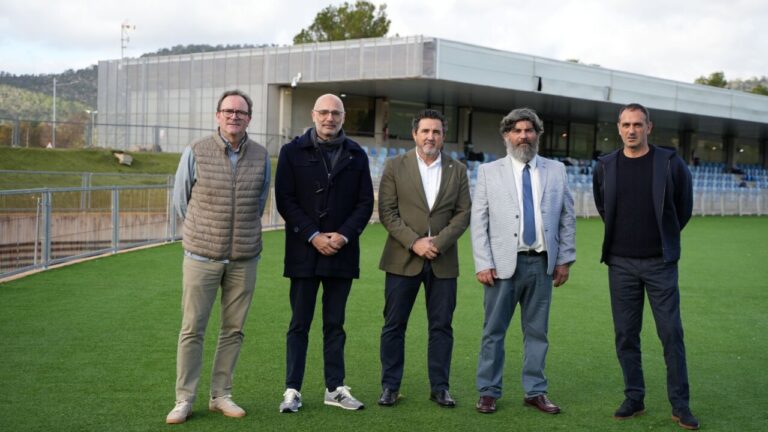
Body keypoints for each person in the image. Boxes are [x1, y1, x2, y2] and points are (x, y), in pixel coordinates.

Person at [166, 89, 270, 424]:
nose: (234, 116)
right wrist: (203, 232)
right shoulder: (196, 150)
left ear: (249, 118)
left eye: (241, 112)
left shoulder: (260, 155)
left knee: (233, 329)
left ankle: (221, 395)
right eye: (228, 111)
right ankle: (184, 399)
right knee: (192, 328)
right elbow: (181, 201)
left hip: (243, 257)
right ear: (218, 115)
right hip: (202, 256)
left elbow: (258, 202)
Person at [592, 103, 698, 430]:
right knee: (626, 335)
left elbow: (683, 208)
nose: (631, 130)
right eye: (625, 125)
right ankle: (634, 398)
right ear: (618, 128)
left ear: (649, 127)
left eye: (638, 124)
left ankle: (680, 405)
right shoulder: (605, 166)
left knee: (671, 333)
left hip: (659, 264)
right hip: (620, 264)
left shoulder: (669, 163)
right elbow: (602, 205)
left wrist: (662, 239)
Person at [471, 108, 575, 415]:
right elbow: (479, 221)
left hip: (542, 265)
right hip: (502, 266)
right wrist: (482, 262)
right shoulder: (489, 172)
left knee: (537, 333)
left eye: (529, 130)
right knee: (493, 332)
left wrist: (565, 259)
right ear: (506, 136)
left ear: (537, 135)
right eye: (517, 131)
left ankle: (535, 391)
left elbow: (567, 218)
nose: (523, 136)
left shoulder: (557, 171)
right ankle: (488, 391)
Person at [275, 93, 374, 413]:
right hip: (304, 252)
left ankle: (335, 388)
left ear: (343, 117)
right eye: (324, 112)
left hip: (341, 254)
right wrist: (313, 235)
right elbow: (285, 200)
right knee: (299, 323)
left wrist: (343, 236)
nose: (329, 118)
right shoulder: (291, 152)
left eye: (336, 113)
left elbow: (364, 203)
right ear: (313, 114)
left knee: (335, 323)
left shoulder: (357, 155)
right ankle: (292, 389)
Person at [377, 109, 471, 408]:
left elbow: (463, 213)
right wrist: (414, 242)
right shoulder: (395, 166)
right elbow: (387, 213)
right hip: (402, 259)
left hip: (443, 262)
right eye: (426, 131)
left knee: (441, 327)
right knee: (394, 325)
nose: (431, 136)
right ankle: (390, 386)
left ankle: (440, 387)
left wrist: (438, 243)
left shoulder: (458, 170)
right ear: (415, 134)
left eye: (437, 132)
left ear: (443, 136)